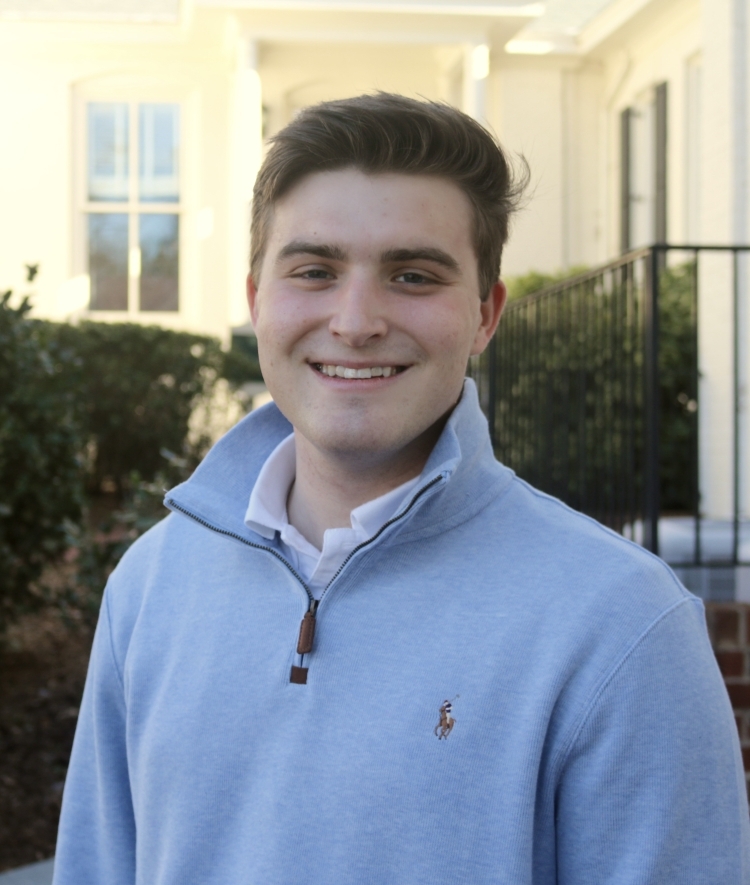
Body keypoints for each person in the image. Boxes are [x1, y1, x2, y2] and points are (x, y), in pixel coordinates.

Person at [54, 93, 749, 884]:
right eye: (314, 270)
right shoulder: (151, 584)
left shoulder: (622, 623)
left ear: (485, 314)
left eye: (412, 275)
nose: (354, 320)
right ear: (256, 301)